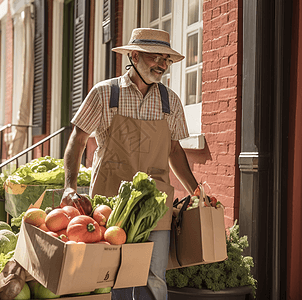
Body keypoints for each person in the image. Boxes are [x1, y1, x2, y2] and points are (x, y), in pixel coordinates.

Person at [61, 28, 199, 300]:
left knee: (154, 274)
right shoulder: (104, 93)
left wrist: (196, 191)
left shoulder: (170, 101)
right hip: (110, 201)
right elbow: (77, 140)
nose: (162, 64)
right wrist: (69, 186)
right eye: (155, 57)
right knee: (110, 273)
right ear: (134, 56)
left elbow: (174, 150)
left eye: (166, 59)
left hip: (155, 202)